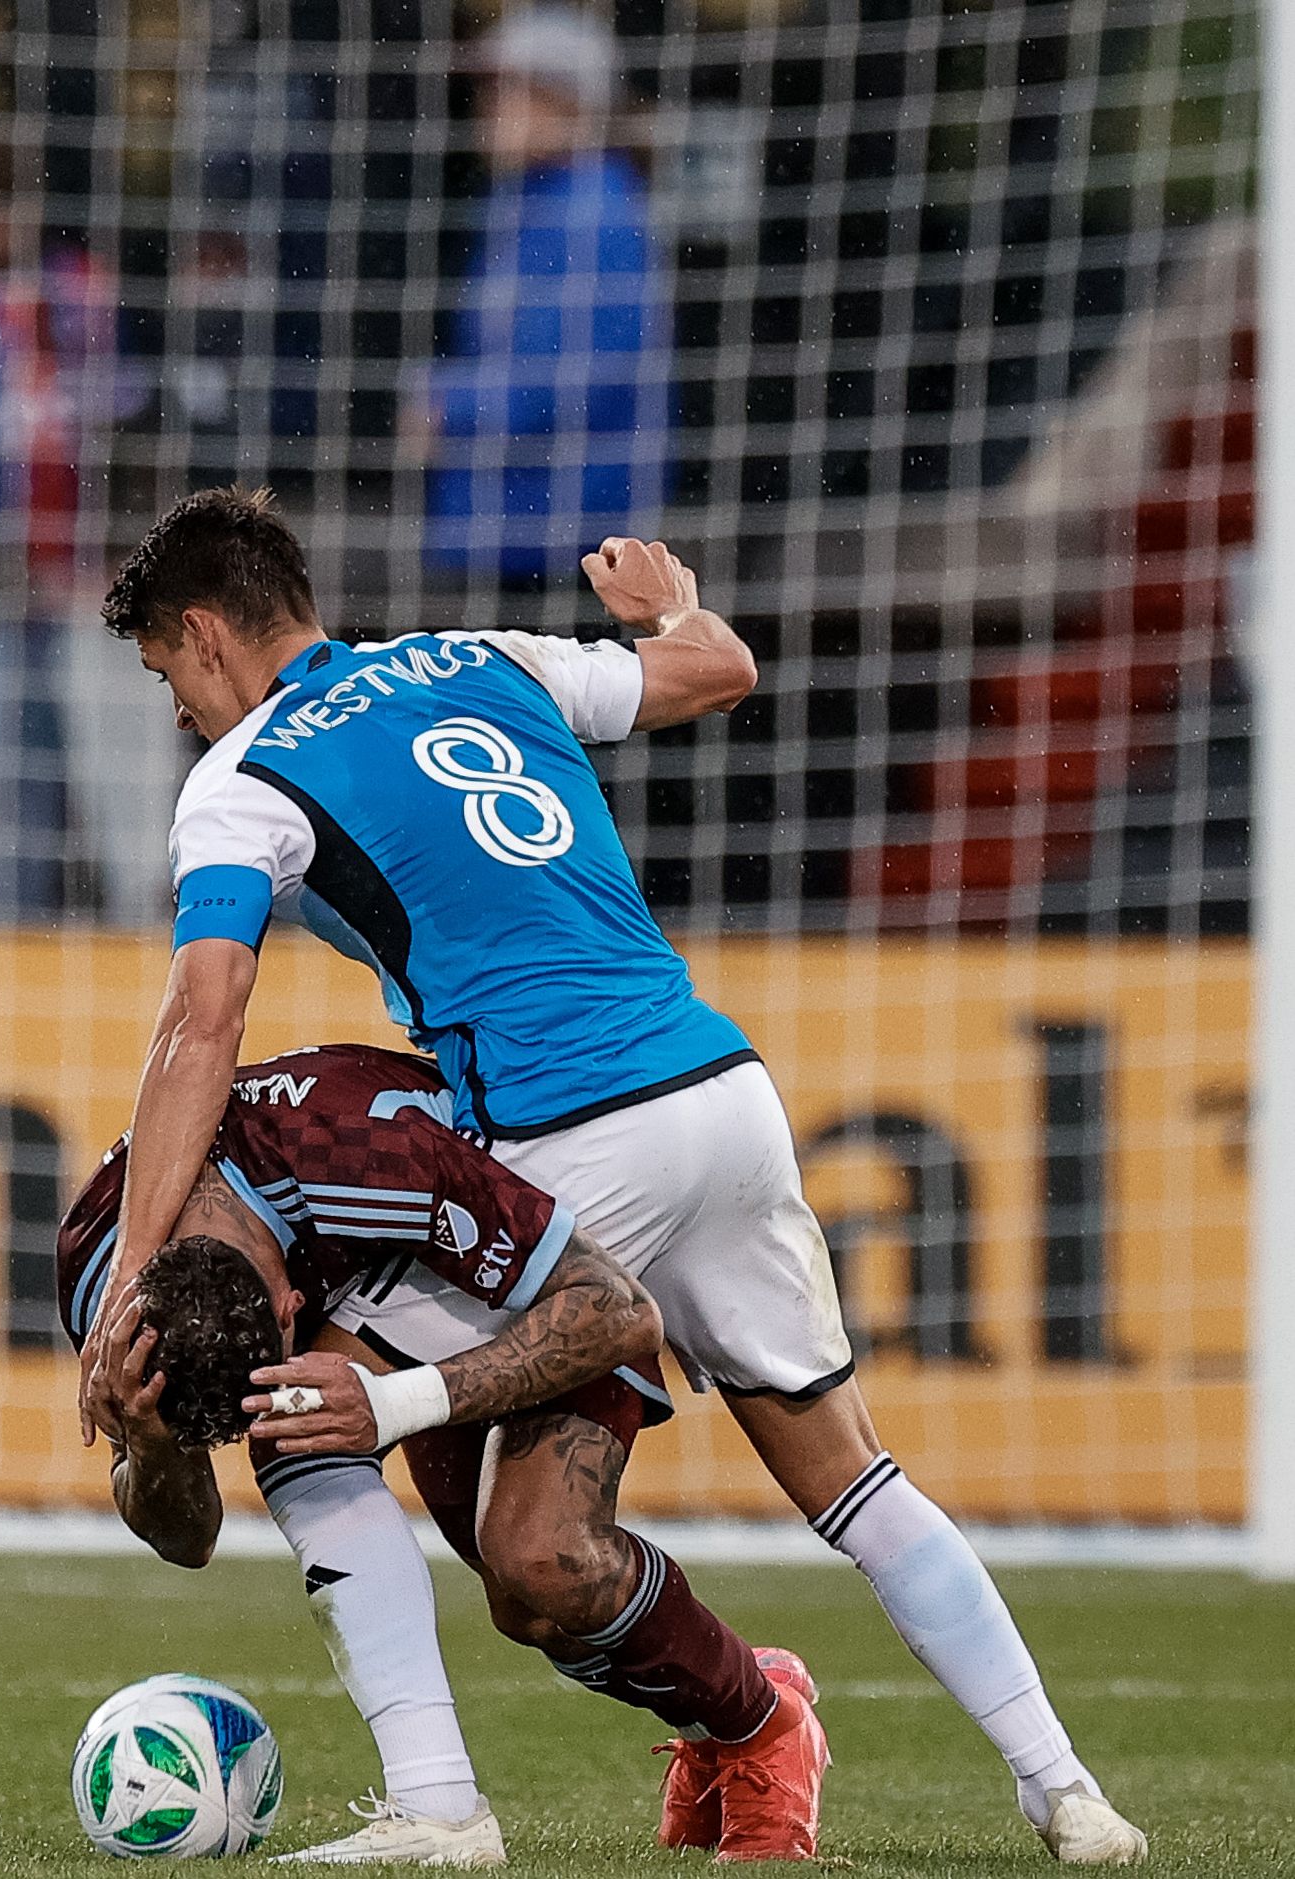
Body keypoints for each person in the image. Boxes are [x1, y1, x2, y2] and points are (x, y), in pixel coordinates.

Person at [81, 489, 1151, 1866]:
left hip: (572, 1133)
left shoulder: (244, 779)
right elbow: (720, 671)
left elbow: (202, 1024)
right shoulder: (479, 656)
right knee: (853, 1476)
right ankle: (1067, 1791)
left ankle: (438, 1804)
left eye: (165, 668)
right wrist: (671, 609)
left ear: (205, 630)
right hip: (729, 1095)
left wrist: (133, 1272)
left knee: (300, 1415)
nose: (175, 705)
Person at [55, 1045, 830, 1865]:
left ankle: (754, 1732)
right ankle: (728, 1699)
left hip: (552, 1275)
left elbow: (620, 1312)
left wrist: (396, 1402)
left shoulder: (359, 1152)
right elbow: (190, 1538)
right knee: (528, 1604)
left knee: (535, 1550)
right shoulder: (103, 1281)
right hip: (397, 1309)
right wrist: (144, 1445)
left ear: (290, 1304)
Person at [417, 6, 668, 613]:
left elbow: (581, 378)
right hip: (504, 524)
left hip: (565, 538)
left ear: (569, 102)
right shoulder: (518, 202)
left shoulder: (597, 213)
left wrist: (447, 407)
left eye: (512, 89)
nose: (490, 105)